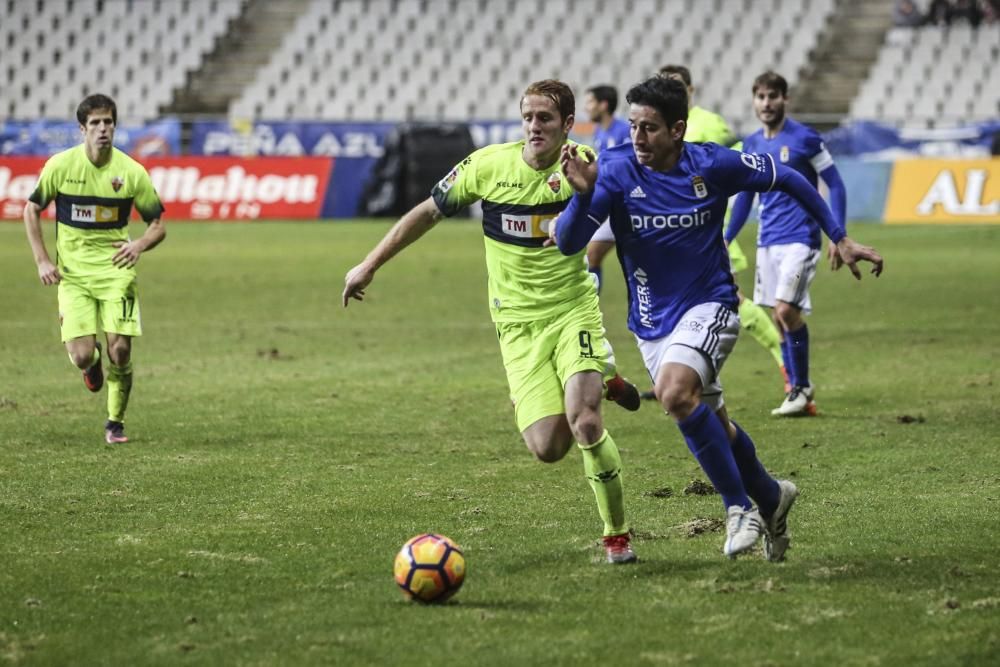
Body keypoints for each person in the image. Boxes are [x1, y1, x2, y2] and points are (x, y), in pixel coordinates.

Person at [554, 75, 883, 559]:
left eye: (649, 128)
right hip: (651, 321)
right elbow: (567, 243)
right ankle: (771, 498)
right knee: (714, 423)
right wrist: (582, 196)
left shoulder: (712, 163)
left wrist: (838, 234)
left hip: (711, 304)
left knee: (672, 392)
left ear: (678, 129)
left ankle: (737, 508)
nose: (638, 138)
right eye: (633, 127)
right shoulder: (617, 171)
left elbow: (789, 177)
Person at [343, 79, 640, 564]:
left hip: (572, 310)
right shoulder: (487, 166)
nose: (534, 127)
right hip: (516, 325)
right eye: (527, 117)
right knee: (547, 447)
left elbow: (623, 226)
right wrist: (369, 264)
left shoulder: (587, 167)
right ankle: (603, 377)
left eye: (545, 118)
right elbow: (426, 212)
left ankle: (617, 535)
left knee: (584, 423)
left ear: (567, 125)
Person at [590, 65, 788, 400]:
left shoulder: (709, 124)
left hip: (700, 220)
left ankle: (781, 358)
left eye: (677, 85)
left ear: (690, 91)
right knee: (592, 253)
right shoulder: (637, 128)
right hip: (644, 203)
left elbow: (735, 162)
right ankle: (674, 365)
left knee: (730, 298)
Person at [23, 93, 166, 444]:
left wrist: (138, 245)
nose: (103, 129)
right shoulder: (61, 166)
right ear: (82, 129)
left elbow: (157, 224)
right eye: (96, 123)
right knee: (83, 355)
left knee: (122, 349)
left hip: (116, 271)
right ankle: (92, 363)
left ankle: (115, 422)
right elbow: (30, 209)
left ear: (115, 126)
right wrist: (42, 259)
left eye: (108, 122)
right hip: (73, 277)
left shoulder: (132, 172)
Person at [725, 71, 849, 417]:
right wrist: (727, 238)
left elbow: (835, 184)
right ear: (754, 100)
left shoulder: (806, 138)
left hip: (802, 237)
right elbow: (746, 197)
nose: (766, 103)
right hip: (768, 241)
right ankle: (798, 394)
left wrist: (836, 234)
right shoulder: (750, 145)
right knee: (779, 318)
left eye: (773, 96)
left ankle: (801, 386)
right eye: (761, 97)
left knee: (785, 311)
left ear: (785, 99)